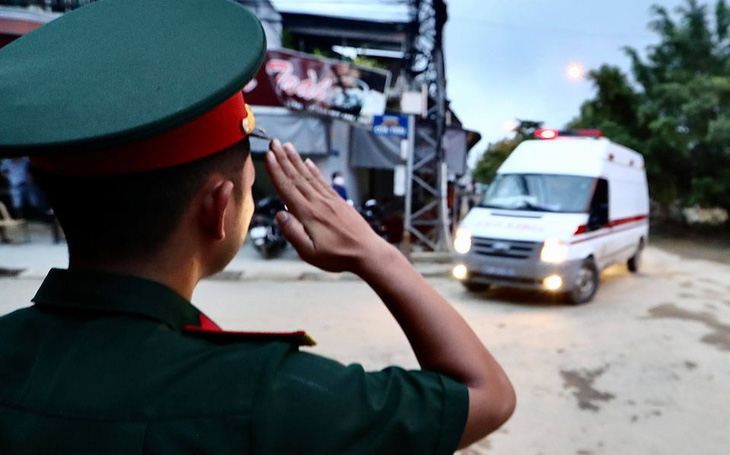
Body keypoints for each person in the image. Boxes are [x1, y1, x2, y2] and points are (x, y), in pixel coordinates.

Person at [0, 0, 515, 453]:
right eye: (252, 182)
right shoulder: (266, 394)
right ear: (219, 208)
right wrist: (375, 254)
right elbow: (487, 396)